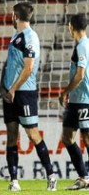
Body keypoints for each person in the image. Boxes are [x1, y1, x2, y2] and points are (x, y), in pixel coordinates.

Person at [0, 2, 57, 191]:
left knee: (32, 134)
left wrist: (14, 88)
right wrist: (4, 87)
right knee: (11, 136)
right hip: (10, 93)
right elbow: (9, 64)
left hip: (24, 93)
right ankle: (14, 180)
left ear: (15, 16)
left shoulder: (30, 37)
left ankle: (51, 174)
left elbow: (29, 67)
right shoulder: (16, 37)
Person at [59, 13, 89, 190]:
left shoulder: (83, 46)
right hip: (76, 100)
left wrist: (64, 92)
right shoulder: (81, 45)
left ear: (72, 26)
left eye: (69, 25)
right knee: (67, 137)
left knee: (87, 138)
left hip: (84, 99)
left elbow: (80, 75)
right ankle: (84, 177)